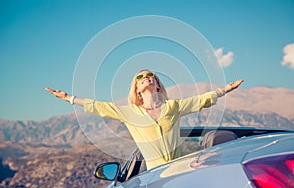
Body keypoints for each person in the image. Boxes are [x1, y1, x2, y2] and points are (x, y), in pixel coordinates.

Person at [45, 69, 243, 170]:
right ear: (137, 88)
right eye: (142, 77)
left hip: (181, 168)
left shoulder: (172, 107)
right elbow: (99, 107)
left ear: (157, 84)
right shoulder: (129, 112)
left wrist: (225, 90)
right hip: (155, 173)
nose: (148, 77)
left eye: (151, 75)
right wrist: (69, 98)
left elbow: (200, 101)